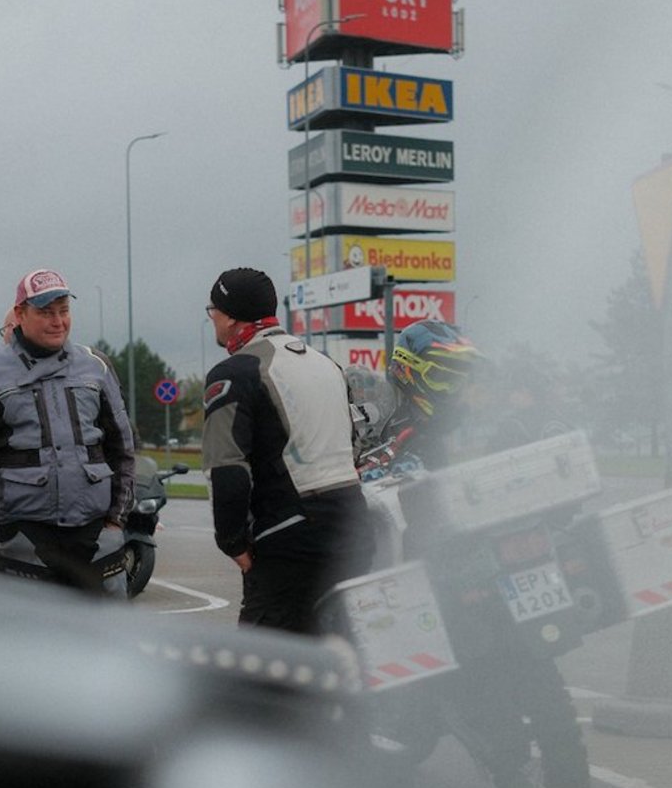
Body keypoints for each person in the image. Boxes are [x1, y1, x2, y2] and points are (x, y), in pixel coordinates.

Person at [201, 266, 373, 634]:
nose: (211, 318)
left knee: (263, 664)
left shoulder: (236, 371)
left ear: (229, 315)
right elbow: (353, 445)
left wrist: (231, 542)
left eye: (212, 310)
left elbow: (226, 468)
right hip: (355, 522)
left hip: (291, 530)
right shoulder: (326, 363)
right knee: (342, 645)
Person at [0, 268, 135, 595]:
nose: (58, 321)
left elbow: (122, 449)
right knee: (29, 641)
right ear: (20, 315)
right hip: (24, 537)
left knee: (105, 641)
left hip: (95, 535)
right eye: (46, 312)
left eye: (64, 311)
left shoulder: (97, 366)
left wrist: (115, 520)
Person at [350, 319, 483, 480]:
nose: (448, 389)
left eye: (456, 381)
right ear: (405, 367)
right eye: (440, 376)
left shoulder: (435, 431)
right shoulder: (371, 403)